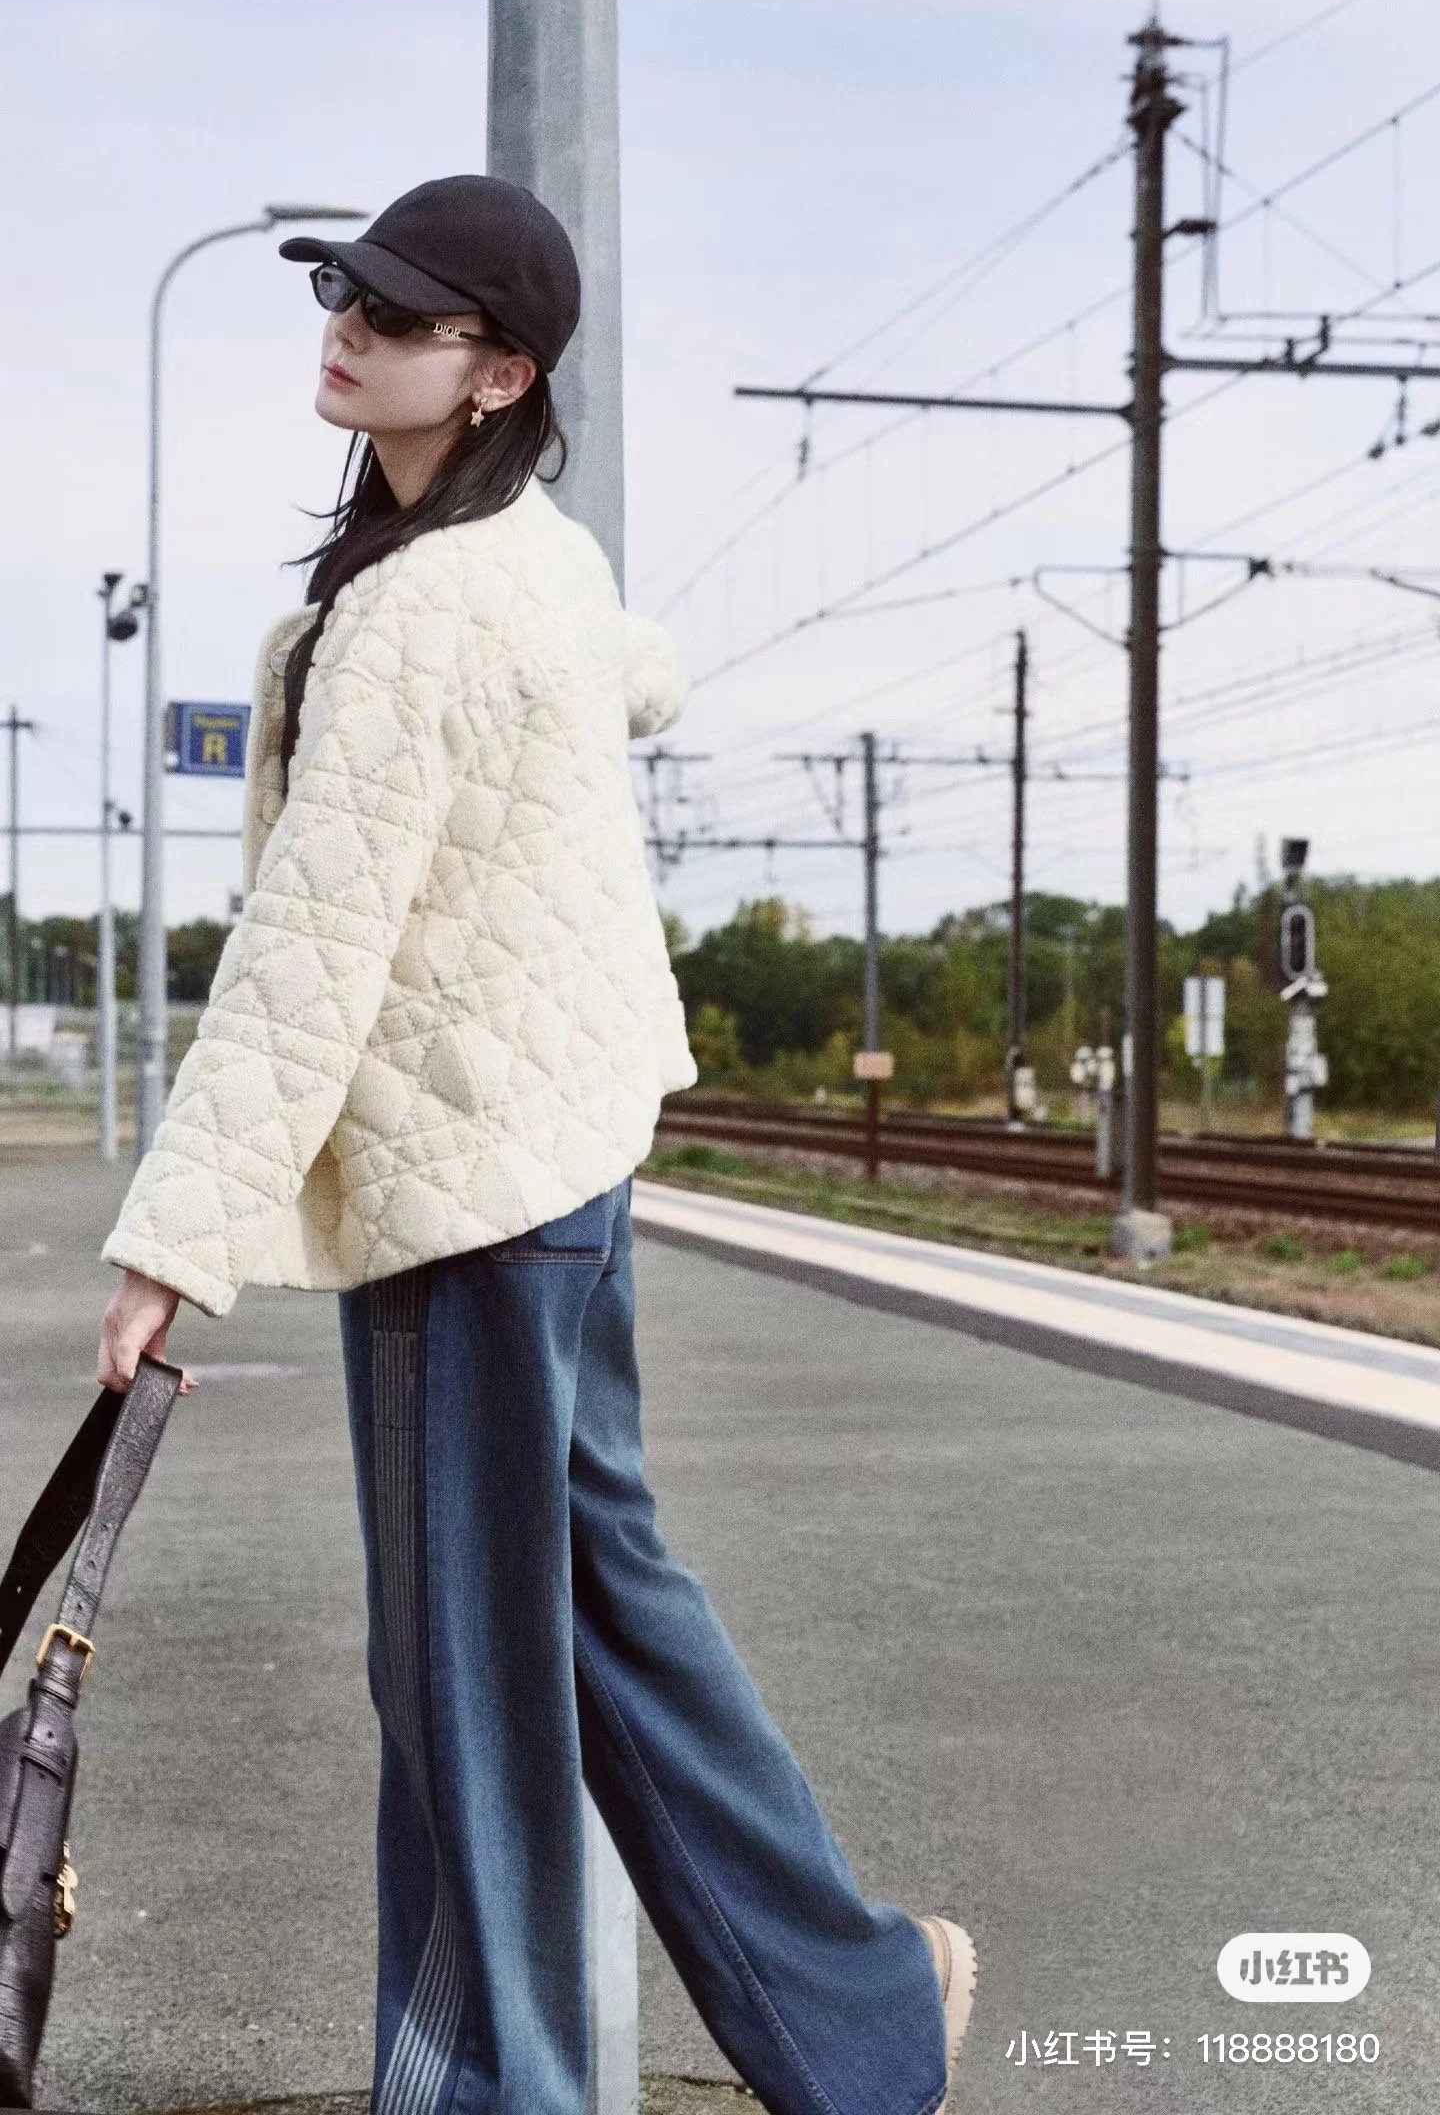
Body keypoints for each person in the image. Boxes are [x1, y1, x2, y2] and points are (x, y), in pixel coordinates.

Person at [93, 174, 976, 2115]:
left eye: (396, 315)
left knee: (465, 1677)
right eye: (342, 294)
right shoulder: (525, 567)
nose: (348, 328)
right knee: (595, 1615)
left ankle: (497, 2087)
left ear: (496, 374)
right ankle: (863, 2022)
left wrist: (177, 1237)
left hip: (466, 1189)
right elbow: (639, 664)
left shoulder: (425, 614)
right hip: (552, 1161)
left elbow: (305, 954)